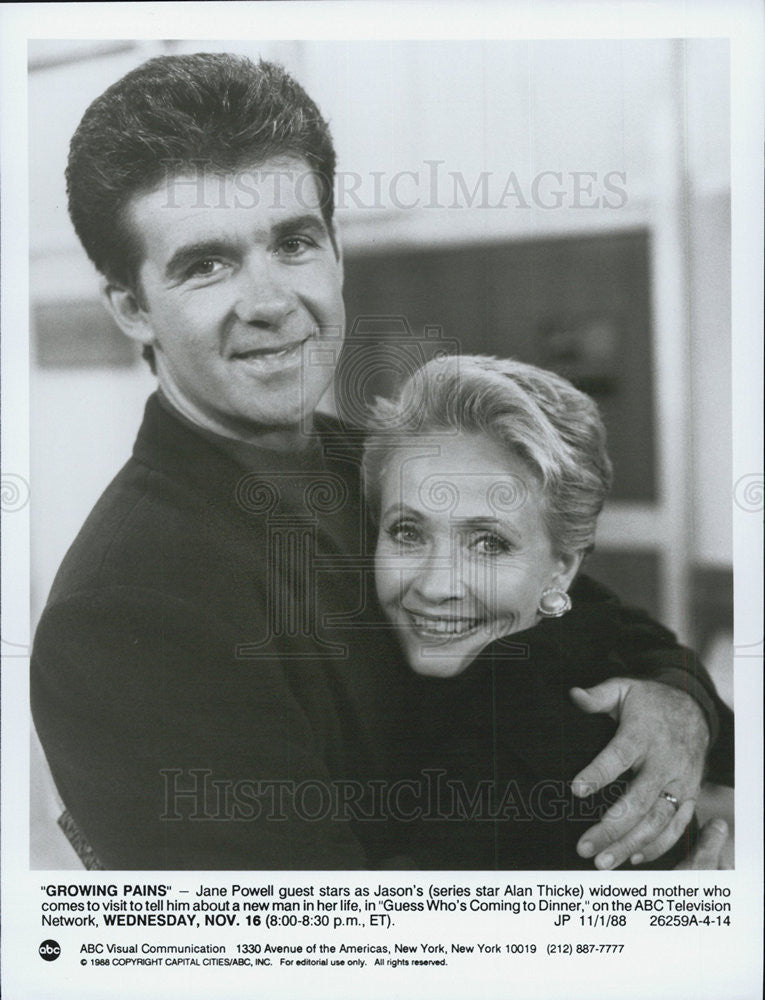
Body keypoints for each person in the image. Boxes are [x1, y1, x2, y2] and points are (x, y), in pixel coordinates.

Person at [31, 52, 732, 870]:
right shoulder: (126, 608)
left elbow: (605, 622)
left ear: (335, 252)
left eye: (293, 243)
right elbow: (312, 952)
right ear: (131, 307)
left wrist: (679, 706)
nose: (269, 303)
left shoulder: (382, 466)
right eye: (207, 264)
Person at [364, 354, 734, 868]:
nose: (435, 585)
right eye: (407, 532)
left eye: (489, 544)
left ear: (561, 570)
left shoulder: (549, 736)